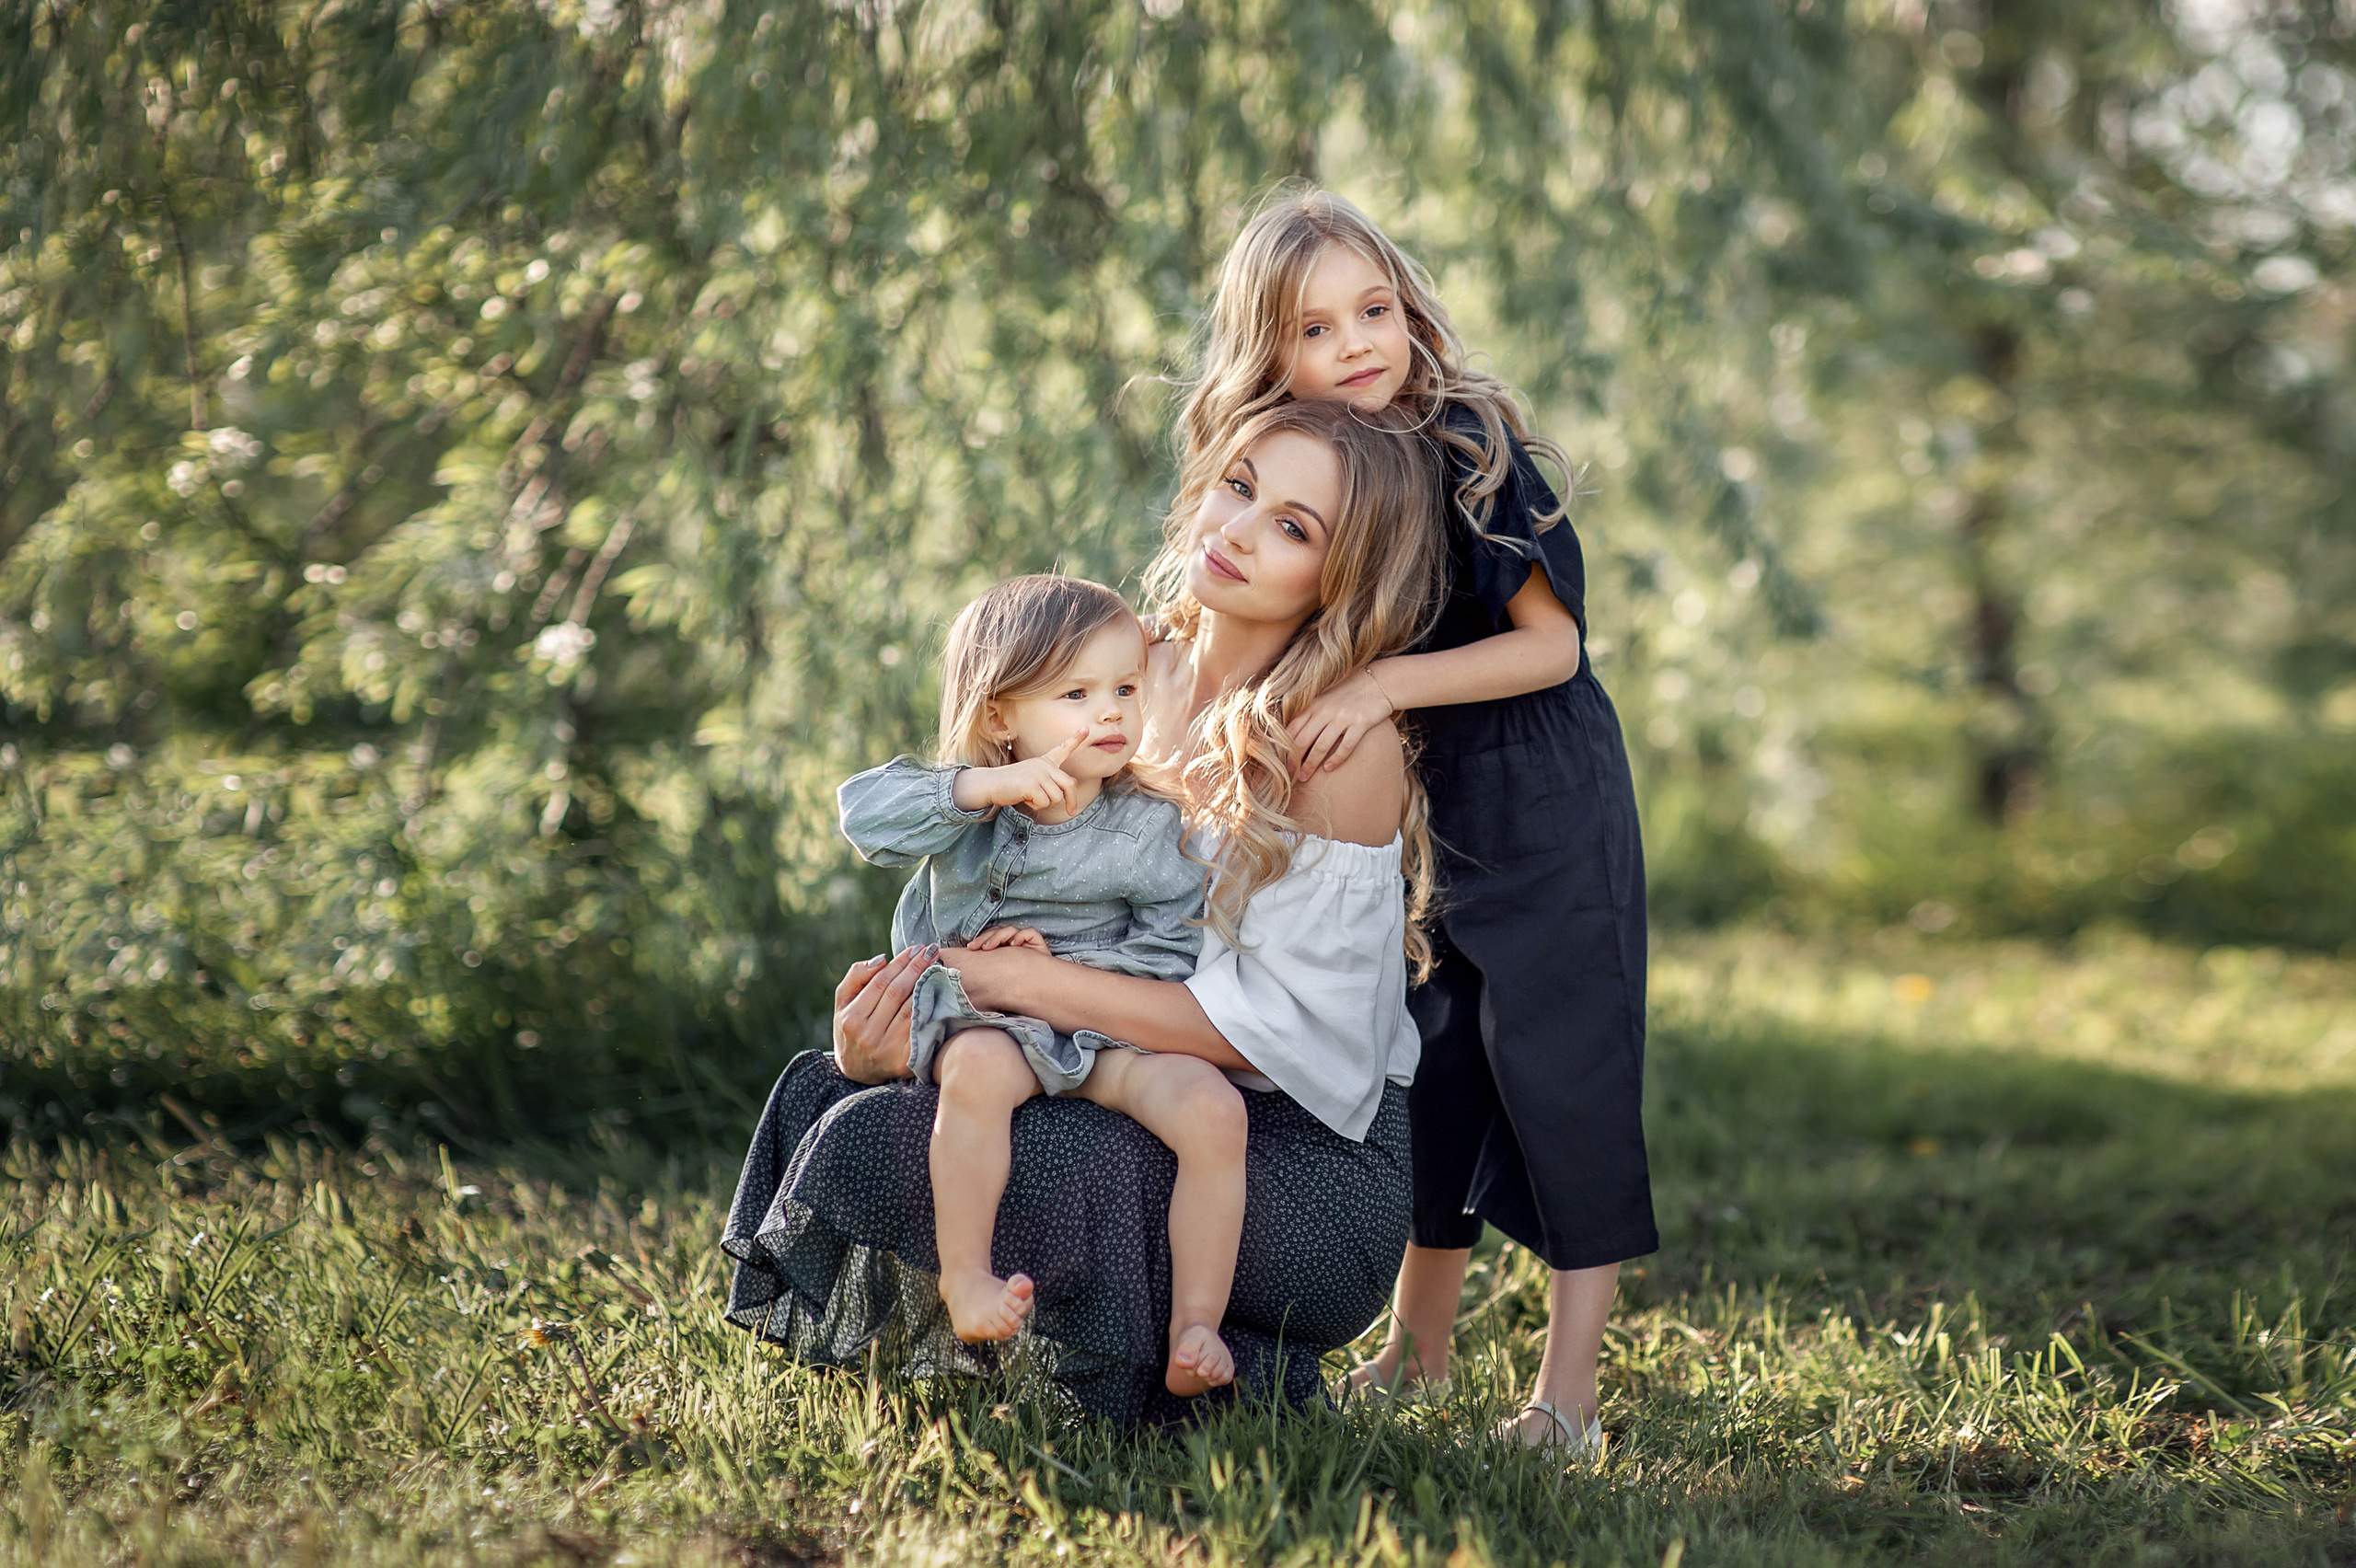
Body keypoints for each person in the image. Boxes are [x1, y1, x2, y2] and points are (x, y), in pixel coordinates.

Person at [722, 398, 1446, 1428]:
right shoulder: (1110, 671)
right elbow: (975, 851)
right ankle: (1125, 1336)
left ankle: (1213, 1347)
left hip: (1298, 1152)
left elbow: (1291, 1045)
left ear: (1342, 575)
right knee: (854, 1112)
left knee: (1022, 1155)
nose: (1238, 531)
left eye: (1293, 527)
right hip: (1089, 1066)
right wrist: (898, 1033)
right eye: (1240, 488)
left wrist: (1013, 981)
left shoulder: (1332, 741)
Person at [1178, 186, 1657, 1457]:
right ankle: (1418, 1348)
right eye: (1320, 330)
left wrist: (1385, 683)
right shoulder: (1309, 463)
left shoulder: (1471, 443)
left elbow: (1551, 650)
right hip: (1419, 802)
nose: (1360, 345)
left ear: (1409, 306)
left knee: (1566, 1074)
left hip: (1541, 793)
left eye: (1375, 309)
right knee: (1431, 1065)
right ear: (1270, 356)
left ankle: (1568, 1400)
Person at [836, 572, 1243, 1397]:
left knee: (1212, 1108)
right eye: (1076, 693)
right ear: (1000, 716)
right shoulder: (962, 808)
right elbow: (863, 817)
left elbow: (1172, 952)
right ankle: (965, 1278)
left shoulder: (1148, 823)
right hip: (986, 1024)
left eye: (1125, 689)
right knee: (979, 1072)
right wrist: (981, 788)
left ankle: (1195, 1324)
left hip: (1098, 1033)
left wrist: (1063, 974)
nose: (1111, 714)